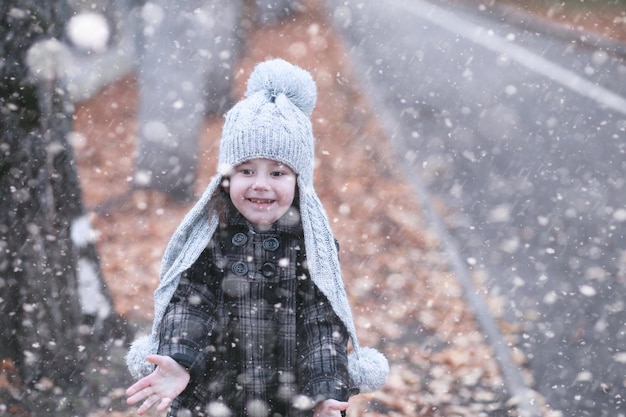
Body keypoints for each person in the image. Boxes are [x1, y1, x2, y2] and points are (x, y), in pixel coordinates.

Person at [125, 58, 389, 417]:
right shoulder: (212, 238)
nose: (260, 184)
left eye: (277, 172)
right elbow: (189, 303)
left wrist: (327, 393)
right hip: (210, 397)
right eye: (246, 170)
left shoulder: (308, 245)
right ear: (226, 178)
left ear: (298, 182)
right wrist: (177, 358)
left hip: (288, 400)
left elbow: (321, 325)